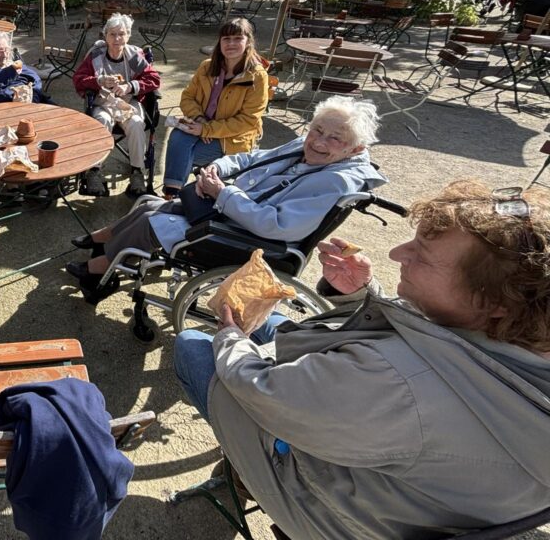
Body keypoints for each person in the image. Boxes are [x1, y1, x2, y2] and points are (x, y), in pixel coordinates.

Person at [174, 179, 550, 538]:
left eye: (421, 256)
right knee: (273, 320)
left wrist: (229, 338)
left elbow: (262, 392)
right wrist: (362, 297)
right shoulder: (520, 339)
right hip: (404, 492)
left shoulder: (398, 385)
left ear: (494, 302)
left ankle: (241, 476)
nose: (396, 254)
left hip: (331, 512)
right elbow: (436, 343)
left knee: (195, 345)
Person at [66, 96, 386, 302]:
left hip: (249, 239)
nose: (318, 141)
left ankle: (97, 271)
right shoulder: (308, 146)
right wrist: (217, 167)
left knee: (152, 219)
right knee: (150, 204)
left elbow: (276, 225)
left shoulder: (335, 180)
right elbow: (252, 157)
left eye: (334, 138)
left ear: (354, 149)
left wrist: (223, 193)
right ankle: (101, 243)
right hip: (234, 212)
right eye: (317, 130)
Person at [162, 18, 268, 199]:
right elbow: (188, 97)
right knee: (178, 137)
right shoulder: (207, 66)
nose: (231, 44)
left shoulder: (257, 76)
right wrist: (200, 121)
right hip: (200, 124)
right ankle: (174, 195)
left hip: (233, 138)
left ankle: (173, 196)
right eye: (226, 39)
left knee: (183, 153)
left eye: (237, 38)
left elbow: (248, 121)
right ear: (220, 42)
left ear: (248, 41)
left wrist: (207, 129)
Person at [73, 13, 161, 198]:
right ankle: (95, 171)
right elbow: (78, 80)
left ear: (128, 36)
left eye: (121, 34)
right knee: (101, 120)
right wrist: (99, 80)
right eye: (112, 34)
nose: (117, 39)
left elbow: (154, 79)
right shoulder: (96, 55)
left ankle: (137, 172)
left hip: (127, 103)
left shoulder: (134, 56)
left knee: (137, 123)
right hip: (103, 103)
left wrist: (131, 86)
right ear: (105, 36)